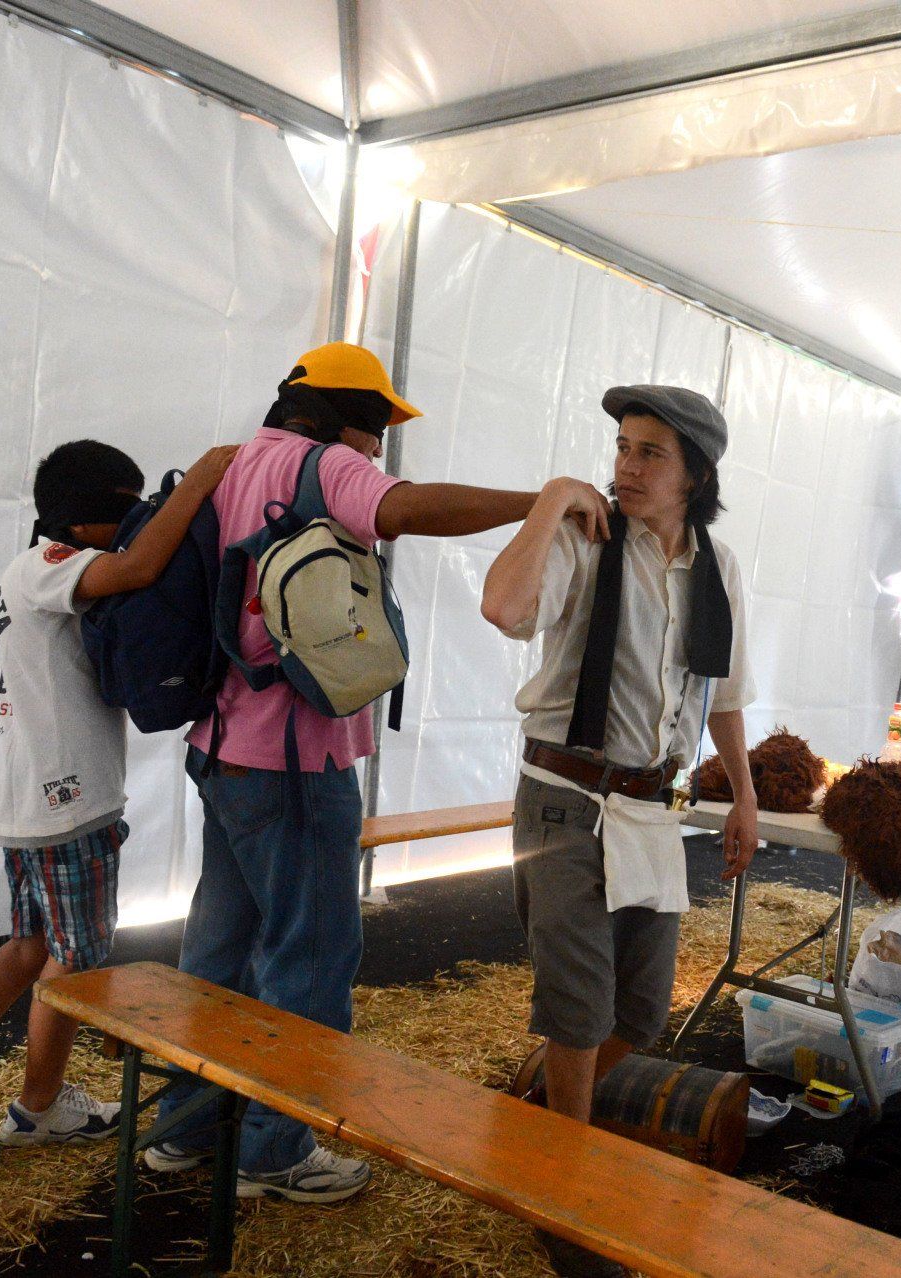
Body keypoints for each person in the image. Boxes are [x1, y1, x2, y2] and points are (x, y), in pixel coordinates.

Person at [144, 344, 610, 1204]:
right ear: (345, 417)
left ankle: (186, 1127)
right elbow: (408, 508)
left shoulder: (238, 461)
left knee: (218, 950)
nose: (380, 448)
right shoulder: (323, 465)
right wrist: (541, 499)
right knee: (311, 956)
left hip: (222, 747)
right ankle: (276, 1151)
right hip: (295, 760)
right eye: (378, 428)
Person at [0, 439, 238, 1163]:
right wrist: (198, 484)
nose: (134, 523)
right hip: (68, 803)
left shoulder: (32, 568)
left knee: (29, 949)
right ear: (85, 520)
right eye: (126, 509)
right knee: (76, 964)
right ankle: (36, 1108)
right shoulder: (54, 564)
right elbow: (140, 567)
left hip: (30, 801)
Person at [481, 384, 758, 1278]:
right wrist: (551, 501)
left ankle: (538, 1121)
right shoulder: (583, 538)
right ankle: (564, 1194)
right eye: (622, 448)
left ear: (695, 475)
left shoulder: (718, 567)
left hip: (650, 808)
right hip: (563, 797)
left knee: (640, 1010)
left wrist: (744, 797)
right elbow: (503, 608)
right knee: (579, 1007)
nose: (625, 467)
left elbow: (724, 695)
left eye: (650, 453)